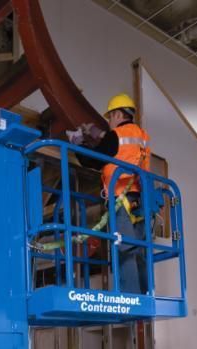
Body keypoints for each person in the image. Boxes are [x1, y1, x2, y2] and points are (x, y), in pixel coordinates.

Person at [67, 93, 152, 294]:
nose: (109, 122)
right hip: (140, 200)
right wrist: (98, 133)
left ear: (118, 114)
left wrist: (78, 143)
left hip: (120, 197)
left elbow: (93, 160)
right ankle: (145, 294)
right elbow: (120, 149)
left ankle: (131, 297)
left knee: (124, 248)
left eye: (110, 117)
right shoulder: (142, 136)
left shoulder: (117, 136)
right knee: (139, 249)